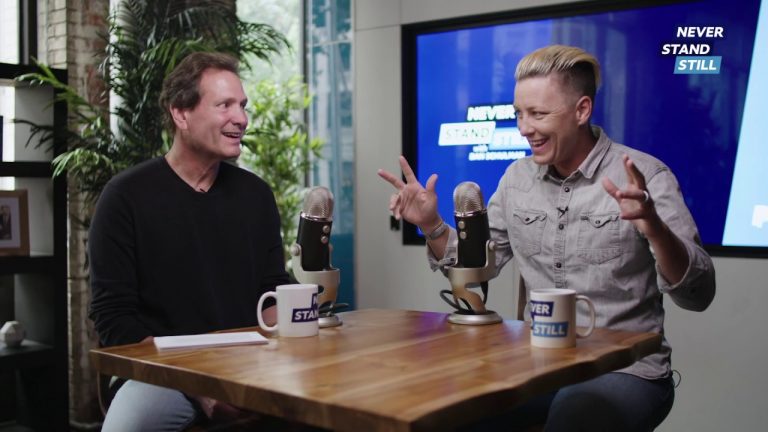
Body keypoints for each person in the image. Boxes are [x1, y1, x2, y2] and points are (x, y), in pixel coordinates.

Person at [378, 45, 715, 431]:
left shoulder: (646, 176)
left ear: (582, 110)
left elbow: (699, 293)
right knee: (445, 413)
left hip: (628, 370)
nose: (524, 128)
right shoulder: (516, 179)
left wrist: (655, 227)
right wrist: (431, 224)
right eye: (519, 114)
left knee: (575, 419)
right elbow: (475, 267)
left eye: (538, 114)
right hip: (538, 364)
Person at [89, 52, 289, 431]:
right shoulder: (125, 197)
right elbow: (114, 320)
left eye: (243, 105)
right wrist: (199, 388)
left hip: (249, 363)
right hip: (161, 372)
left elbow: (271, 292)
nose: (241, 119)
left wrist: (306, 314)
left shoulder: (256, 195)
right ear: (181, 114)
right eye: (225, 105)